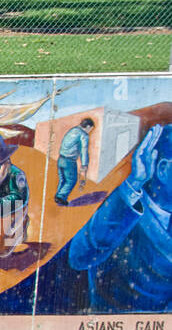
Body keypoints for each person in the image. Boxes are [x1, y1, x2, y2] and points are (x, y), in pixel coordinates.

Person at [69, 123, 172, 313]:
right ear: (163, 169)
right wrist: (134, 183)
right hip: (109, 329)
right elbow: (79, 257)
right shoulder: (120, 208)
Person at [55, 117, 94, 206]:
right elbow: (84, 150)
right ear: (87, 126)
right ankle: (61, 197)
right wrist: (84, 164)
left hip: (61, 159)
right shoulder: (83, 135)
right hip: (69, 161)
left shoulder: (73, 130)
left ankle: (58, 196)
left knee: (63, 179)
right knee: (71, 180)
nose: (90, 131)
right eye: (90, 129)